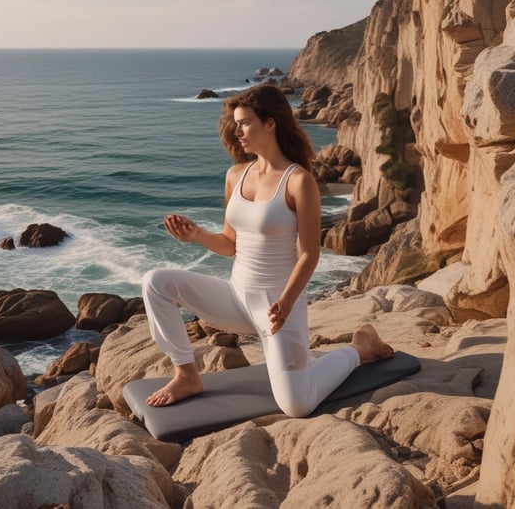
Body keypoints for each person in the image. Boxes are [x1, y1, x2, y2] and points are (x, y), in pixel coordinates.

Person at [141, 84, 393, 417]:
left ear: (270, 123)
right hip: (235, 299)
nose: (237, 130)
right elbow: (232, 245)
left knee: (297, 405)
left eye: (245, 122)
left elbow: (309, 254)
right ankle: (186, 375)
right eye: (236, 123)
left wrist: (286, 303)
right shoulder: (236, 175)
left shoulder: (298, 181)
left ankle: (359, 349)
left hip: (278, 309)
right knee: (155, 282)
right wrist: (198, 235)